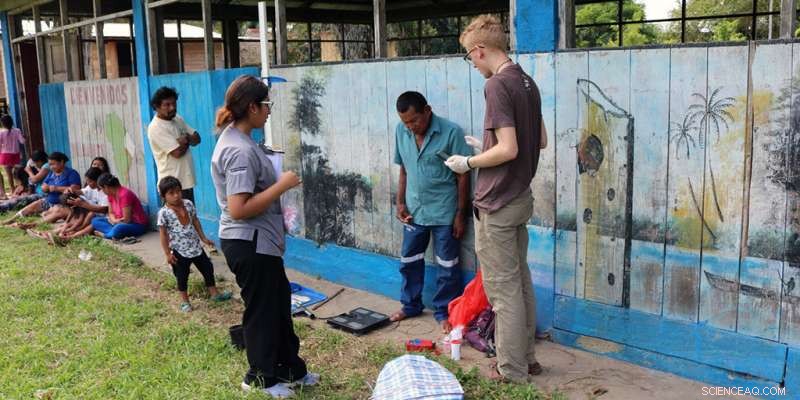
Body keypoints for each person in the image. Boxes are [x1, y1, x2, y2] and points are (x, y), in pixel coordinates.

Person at [445, 14, 548, 383]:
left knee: (503, 292)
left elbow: (509, 148)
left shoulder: (497, 86)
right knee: (520, 282)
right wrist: (484, 144)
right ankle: (529, 359)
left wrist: (468, 161)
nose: (472, 63)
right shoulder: (527, 81)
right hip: (520, 196)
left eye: (469, 57)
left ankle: (512, 371)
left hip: (498, 202)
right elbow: (539, 141)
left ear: (481, 50)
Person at [211, 75, 317, 398]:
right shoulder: (239, 150)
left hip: (260, 241)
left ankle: (289, 369)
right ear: (253, 107)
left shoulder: (241, 141)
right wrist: (281, 185)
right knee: (262, 311)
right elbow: (239, 208)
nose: (270, 111)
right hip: (248, 241)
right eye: (267, 104)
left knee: (278, 304)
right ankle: (259, 377)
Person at [390, 91, 472, 333]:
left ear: (427, 110)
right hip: (414, 209)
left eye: (414, 120)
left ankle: (445, 311)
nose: (411, 126)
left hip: (444, 211)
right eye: (405, 122)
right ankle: (410, 305)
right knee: (409, 260)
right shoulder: (401, 130)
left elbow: (463, 175)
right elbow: (404, 168)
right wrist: (400, 202)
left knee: (447, 265)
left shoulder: (451, 132)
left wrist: (460, 214)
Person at [158, 176, 232, 312]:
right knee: (182, 276)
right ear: (163, 196)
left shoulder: (188, 204)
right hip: (179, 250)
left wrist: (203, 238)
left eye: (178, 191)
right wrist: (167, 253)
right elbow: (163, 234)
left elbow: (195, 221)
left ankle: (214, 294)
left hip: (196, 247)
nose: (176, 196)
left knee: (208, 268)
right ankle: (185, 302)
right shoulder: (164, 213)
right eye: (171, 193)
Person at [147, 87, 200, 203]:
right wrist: (187, 139)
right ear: (157, 107)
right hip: (171, 187)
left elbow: (197, 138)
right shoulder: (155, 127)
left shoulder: (177, 118)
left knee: (188, 218)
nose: (172, 108)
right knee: (175, 219)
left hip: (186, 182)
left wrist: (184, 139)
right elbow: (177, 153)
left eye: (174, 103)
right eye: (167, 105)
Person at [4, 151, 81, 224]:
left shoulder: (72, 173)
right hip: (48, 201)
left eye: (53, 164)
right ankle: (13, 219)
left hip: (61, 205)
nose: (51, 167)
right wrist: (45, 188)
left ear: (62, 162)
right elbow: (44, 185)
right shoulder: (52, 173)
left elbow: (75, 189)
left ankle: (34, 223)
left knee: (48, 214)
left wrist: (56, 188)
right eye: (50, 164)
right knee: (30, 207)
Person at [91, 173, 148, 239]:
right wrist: (114, 220)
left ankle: (106, 235)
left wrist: (116, 222)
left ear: (106, 187)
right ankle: (112, 233)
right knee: (95, 220)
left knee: (119, 228)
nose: (102, 191)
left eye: (102, 189)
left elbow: (127, 220)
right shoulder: (110, 195)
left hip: (136, 225)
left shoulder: (125, 194)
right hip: (117, 222)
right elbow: (110, 213)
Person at [0, 114, 25, 199]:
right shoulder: (17, 130)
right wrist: (25, 137)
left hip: (5, 155)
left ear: (2, 123)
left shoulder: (1, 132)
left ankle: (12, 190)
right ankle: (19, 190)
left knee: (9, 175)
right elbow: (22, 141)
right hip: (15, 155)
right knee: (17, 174)